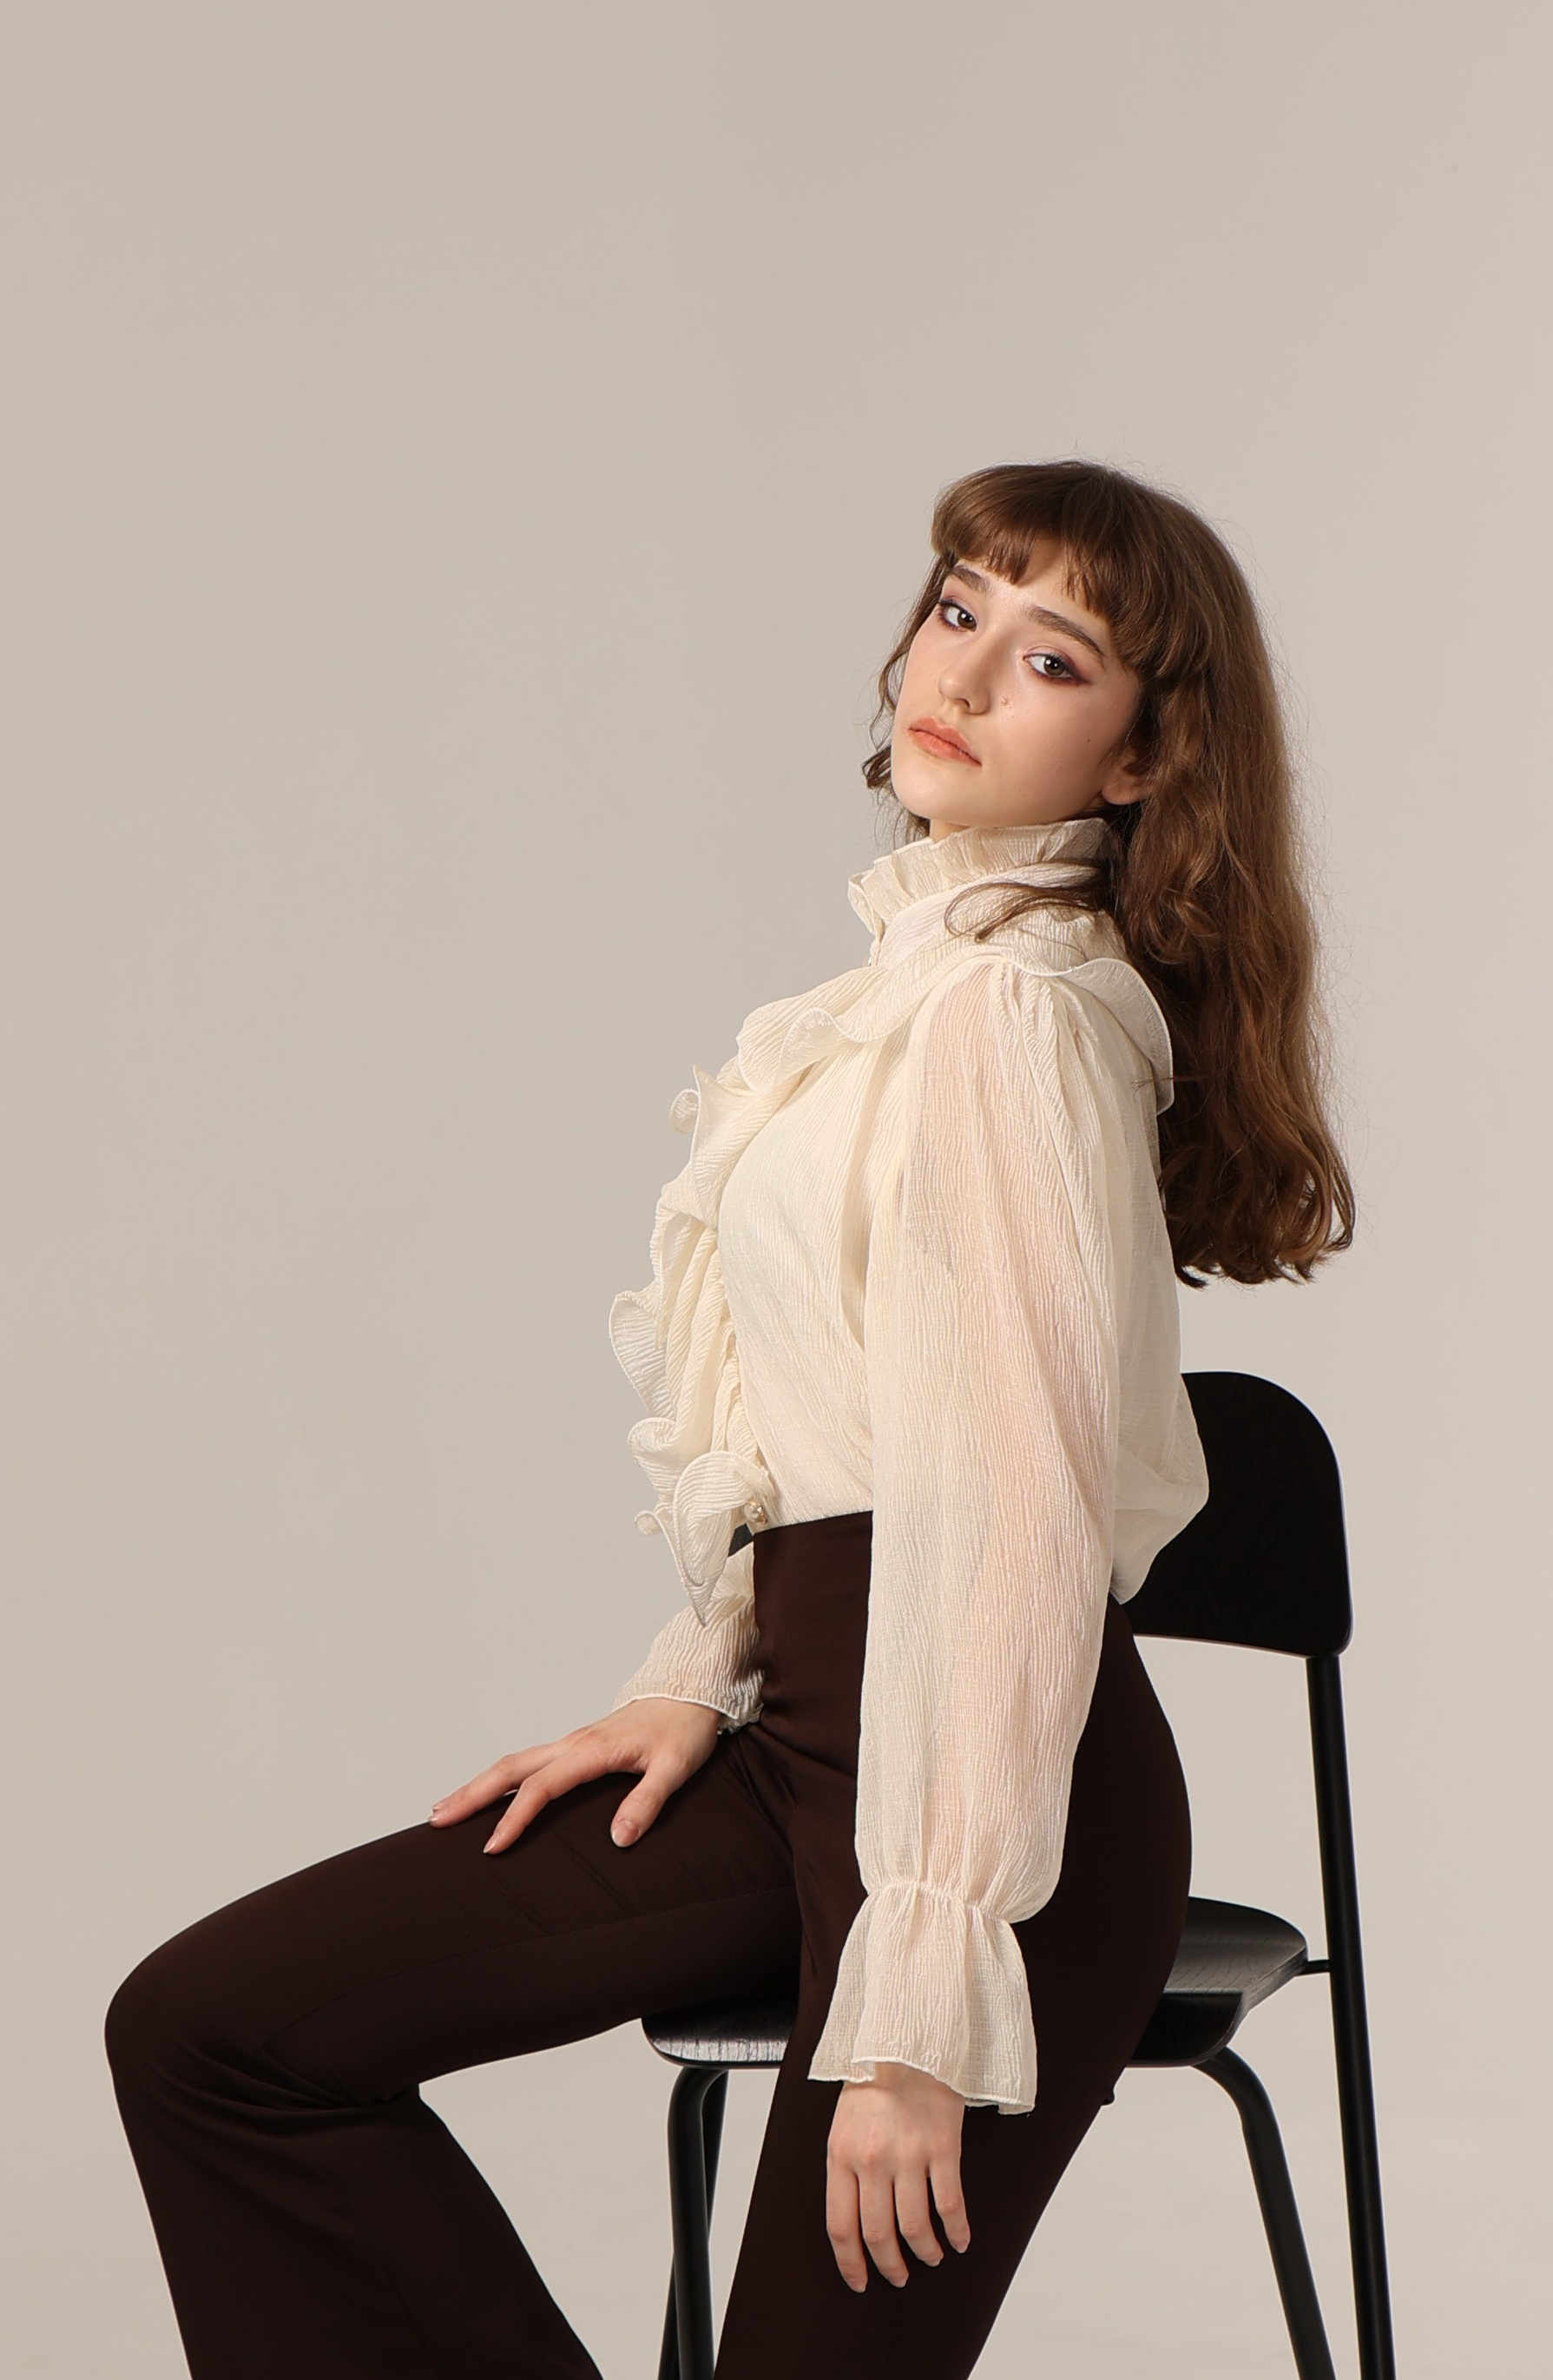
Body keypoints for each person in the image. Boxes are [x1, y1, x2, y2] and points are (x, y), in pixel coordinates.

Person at [105, 458, 1353, 2378]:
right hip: (810, 1748)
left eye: (1051, 656)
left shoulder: (1009, 1020)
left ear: (1136, 761)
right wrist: (698, 1671)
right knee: (221, 2033)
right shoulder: (912, 993)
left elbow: (1005, 1527)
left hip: (987, 1822)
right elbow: (825, 1417)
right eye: (958, 608)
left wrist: (918, 2014)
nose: (962, 671)